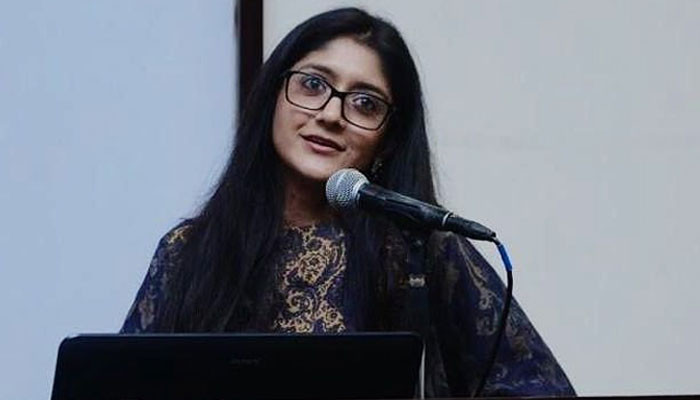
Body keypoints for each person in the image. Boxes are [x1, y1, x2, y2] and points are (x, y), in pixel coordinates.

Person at [121, 7, 575, 397]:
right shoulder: (187, 251)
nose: (331, 114)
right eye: (313, 84)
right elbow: (118, 388)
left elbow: (540, 388)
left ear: (388, 141)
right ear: (274, 97)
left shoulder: (420, 250)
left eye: (364, 103)